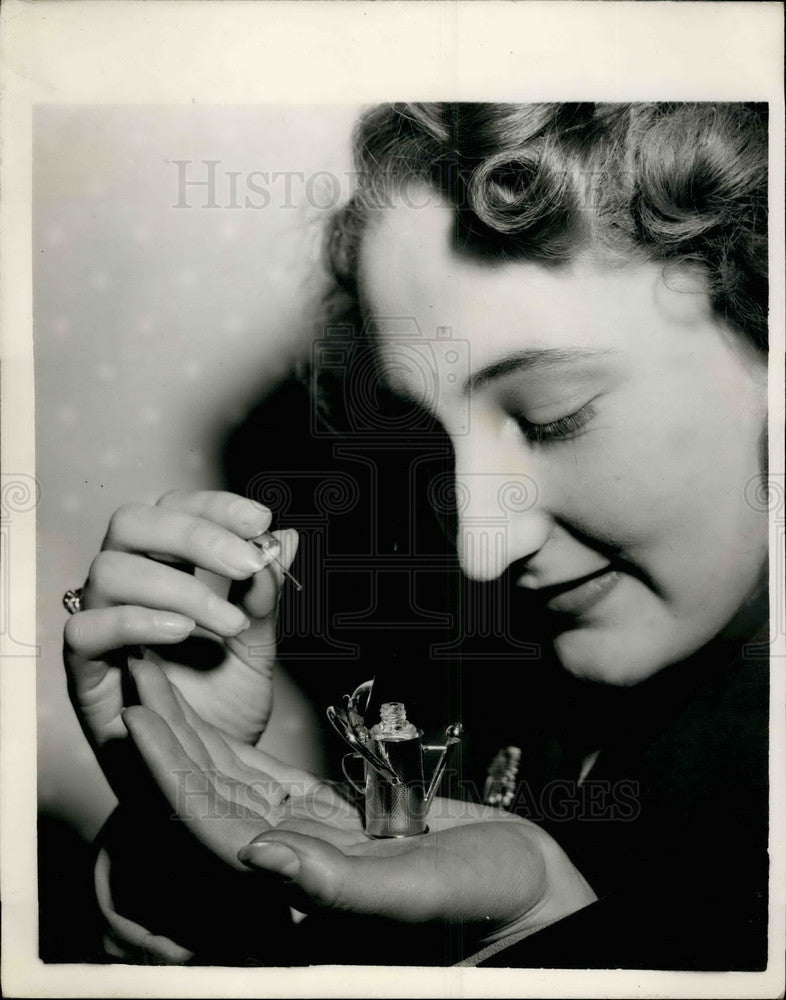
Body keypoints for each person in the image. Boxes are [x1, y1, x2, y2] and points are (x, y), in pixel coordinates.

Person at [62, 102, 770, 969]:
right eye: (434, 449)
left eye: (553, 419)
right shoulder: (503, 699)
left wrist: (553, 927)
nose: (481, 547)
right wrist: (186, 818)